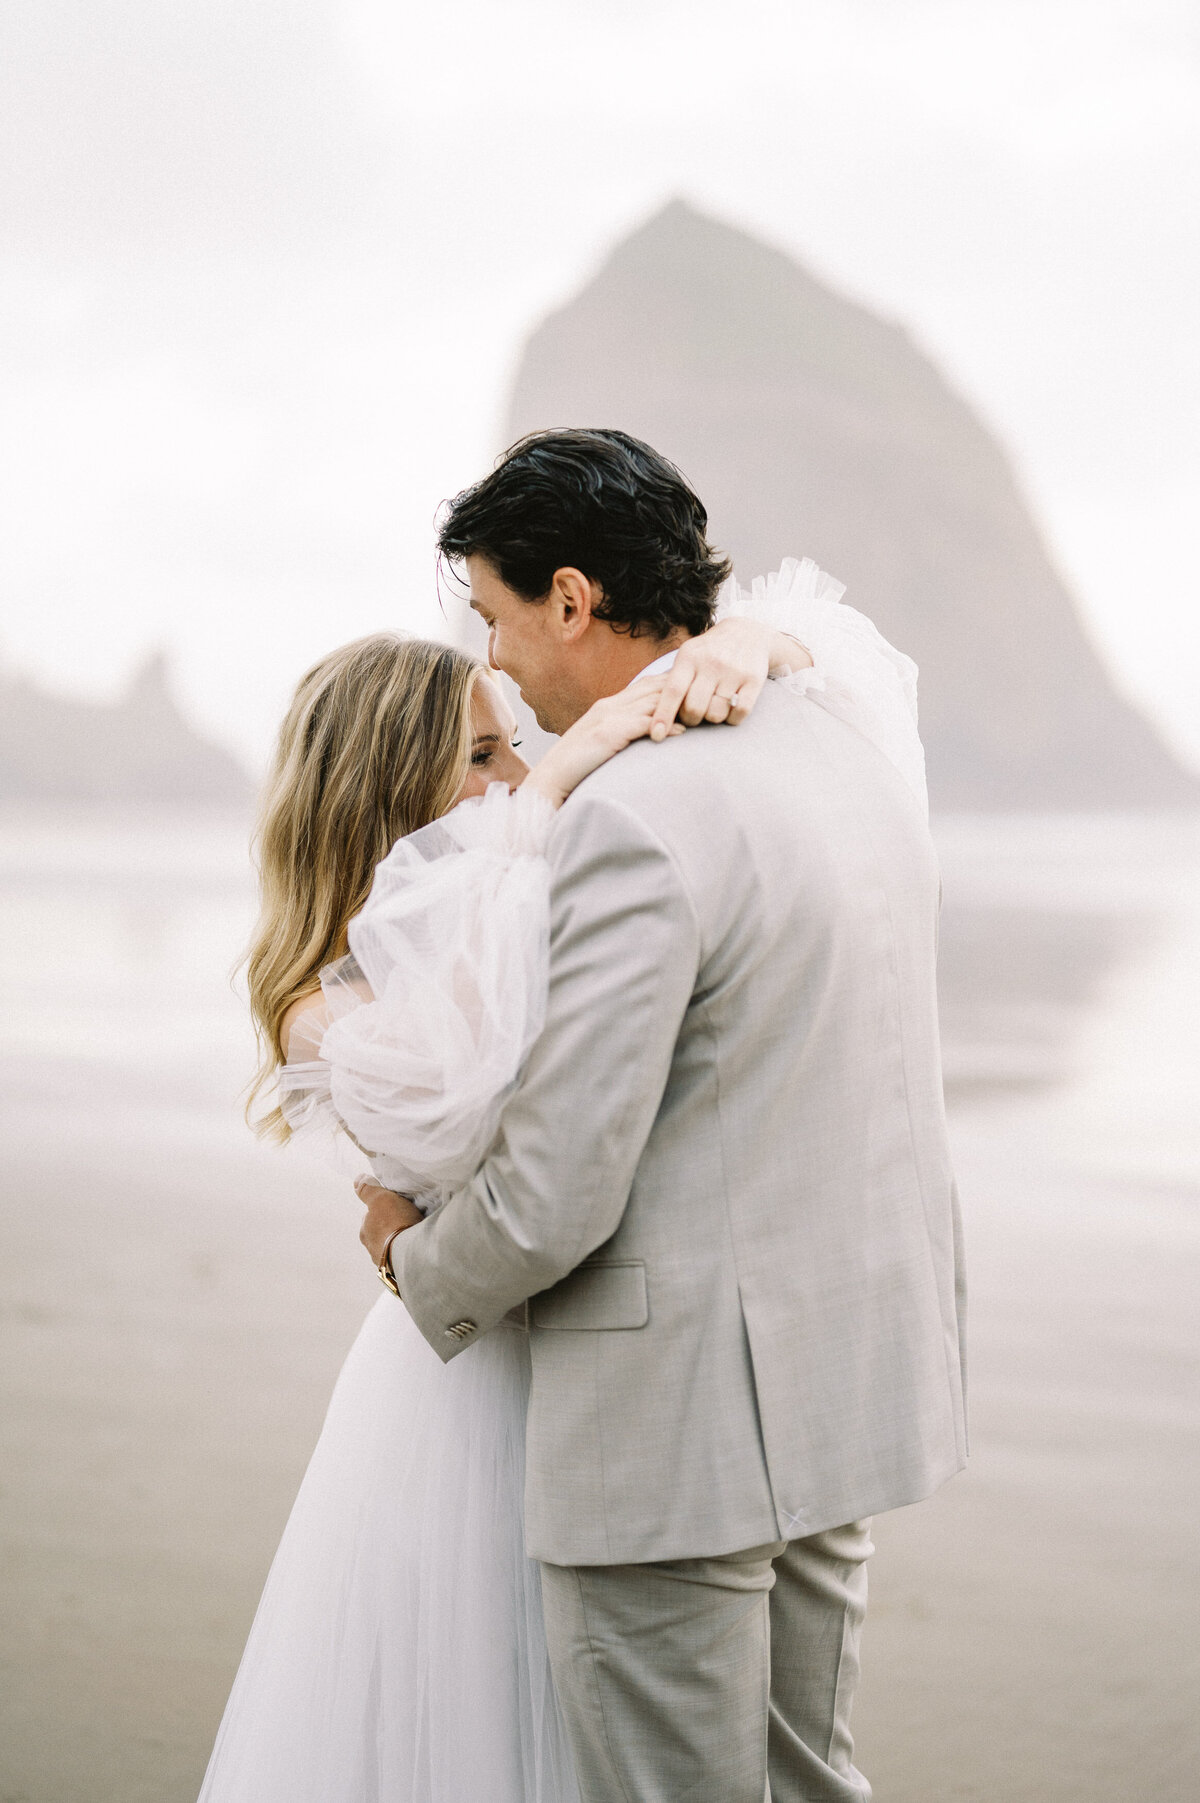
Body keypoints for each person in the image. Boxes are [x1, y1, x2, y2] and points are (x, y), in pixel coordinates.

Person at [355, 429, 966, 1803]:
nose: (493, 659)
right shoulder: (853, 744)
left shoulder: (634, 815)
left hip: (681, 1426)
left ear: (572, 598)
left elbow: (557, 1186)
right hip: (841, 1385)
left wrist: (412, 1258)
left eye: (497, 617)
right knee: (812, 1776)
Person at [198, 580, 837, 1800]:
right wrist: (545, 796)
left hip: (593, 1368)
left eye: (513, 750)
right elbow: (469, 1070)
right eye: (479, 758)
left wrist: (750, 639)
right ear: (387, 795)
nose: (510, 777)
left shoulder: (520, 903)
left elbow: (831, 651)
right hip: (466, 1395)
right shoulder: (319, 1006)